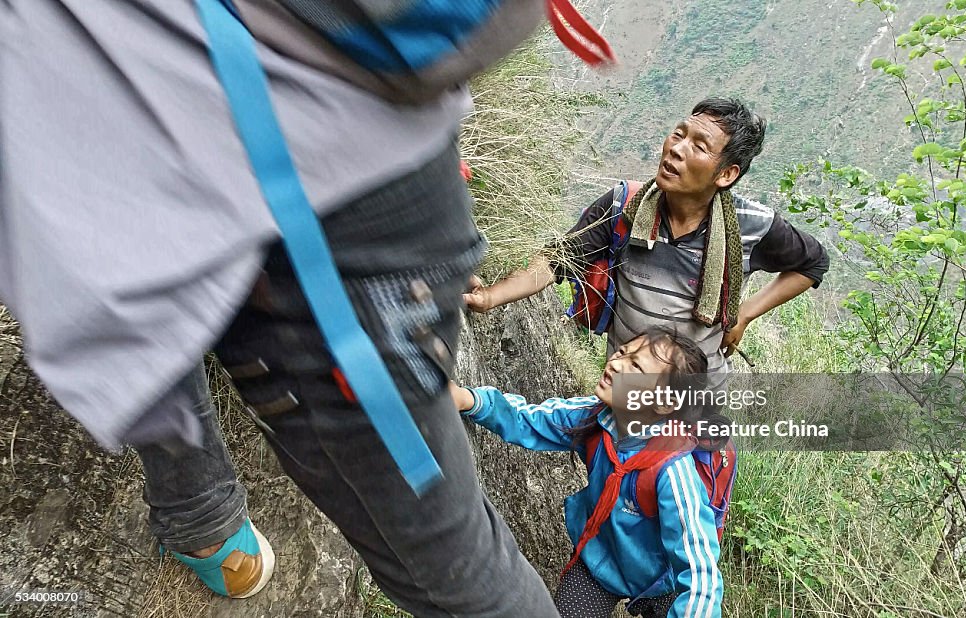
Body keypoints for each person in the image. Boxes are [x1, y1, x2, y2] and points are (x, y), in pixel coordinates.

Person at [0, 0, 565, 614]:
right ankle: (200, 514)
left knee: (456, 574)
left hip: (303, 202)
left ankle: (203, 517)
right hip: (379, 150)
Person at [464, 98, 830, 379]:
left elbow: (813, 263)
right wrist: (490, 296)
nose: (677, 148)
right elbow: (555, 261)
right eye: (679, 133)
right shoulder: (625, 206)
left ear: (727, 174)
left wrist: (745, 315)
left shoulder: (752, 226)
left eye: (700, 146)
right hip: (625, 393)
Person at [449, 326, 728, 618]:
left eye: (635, 366)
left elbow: (699, 572)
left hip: (661, 579)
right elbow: (530, 418)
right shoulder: (594, 418)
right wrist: (470, 400)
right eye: (622, 352)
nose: (616, 364)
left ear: (665, 403)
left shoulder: (673, 472)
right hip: (600, 561)